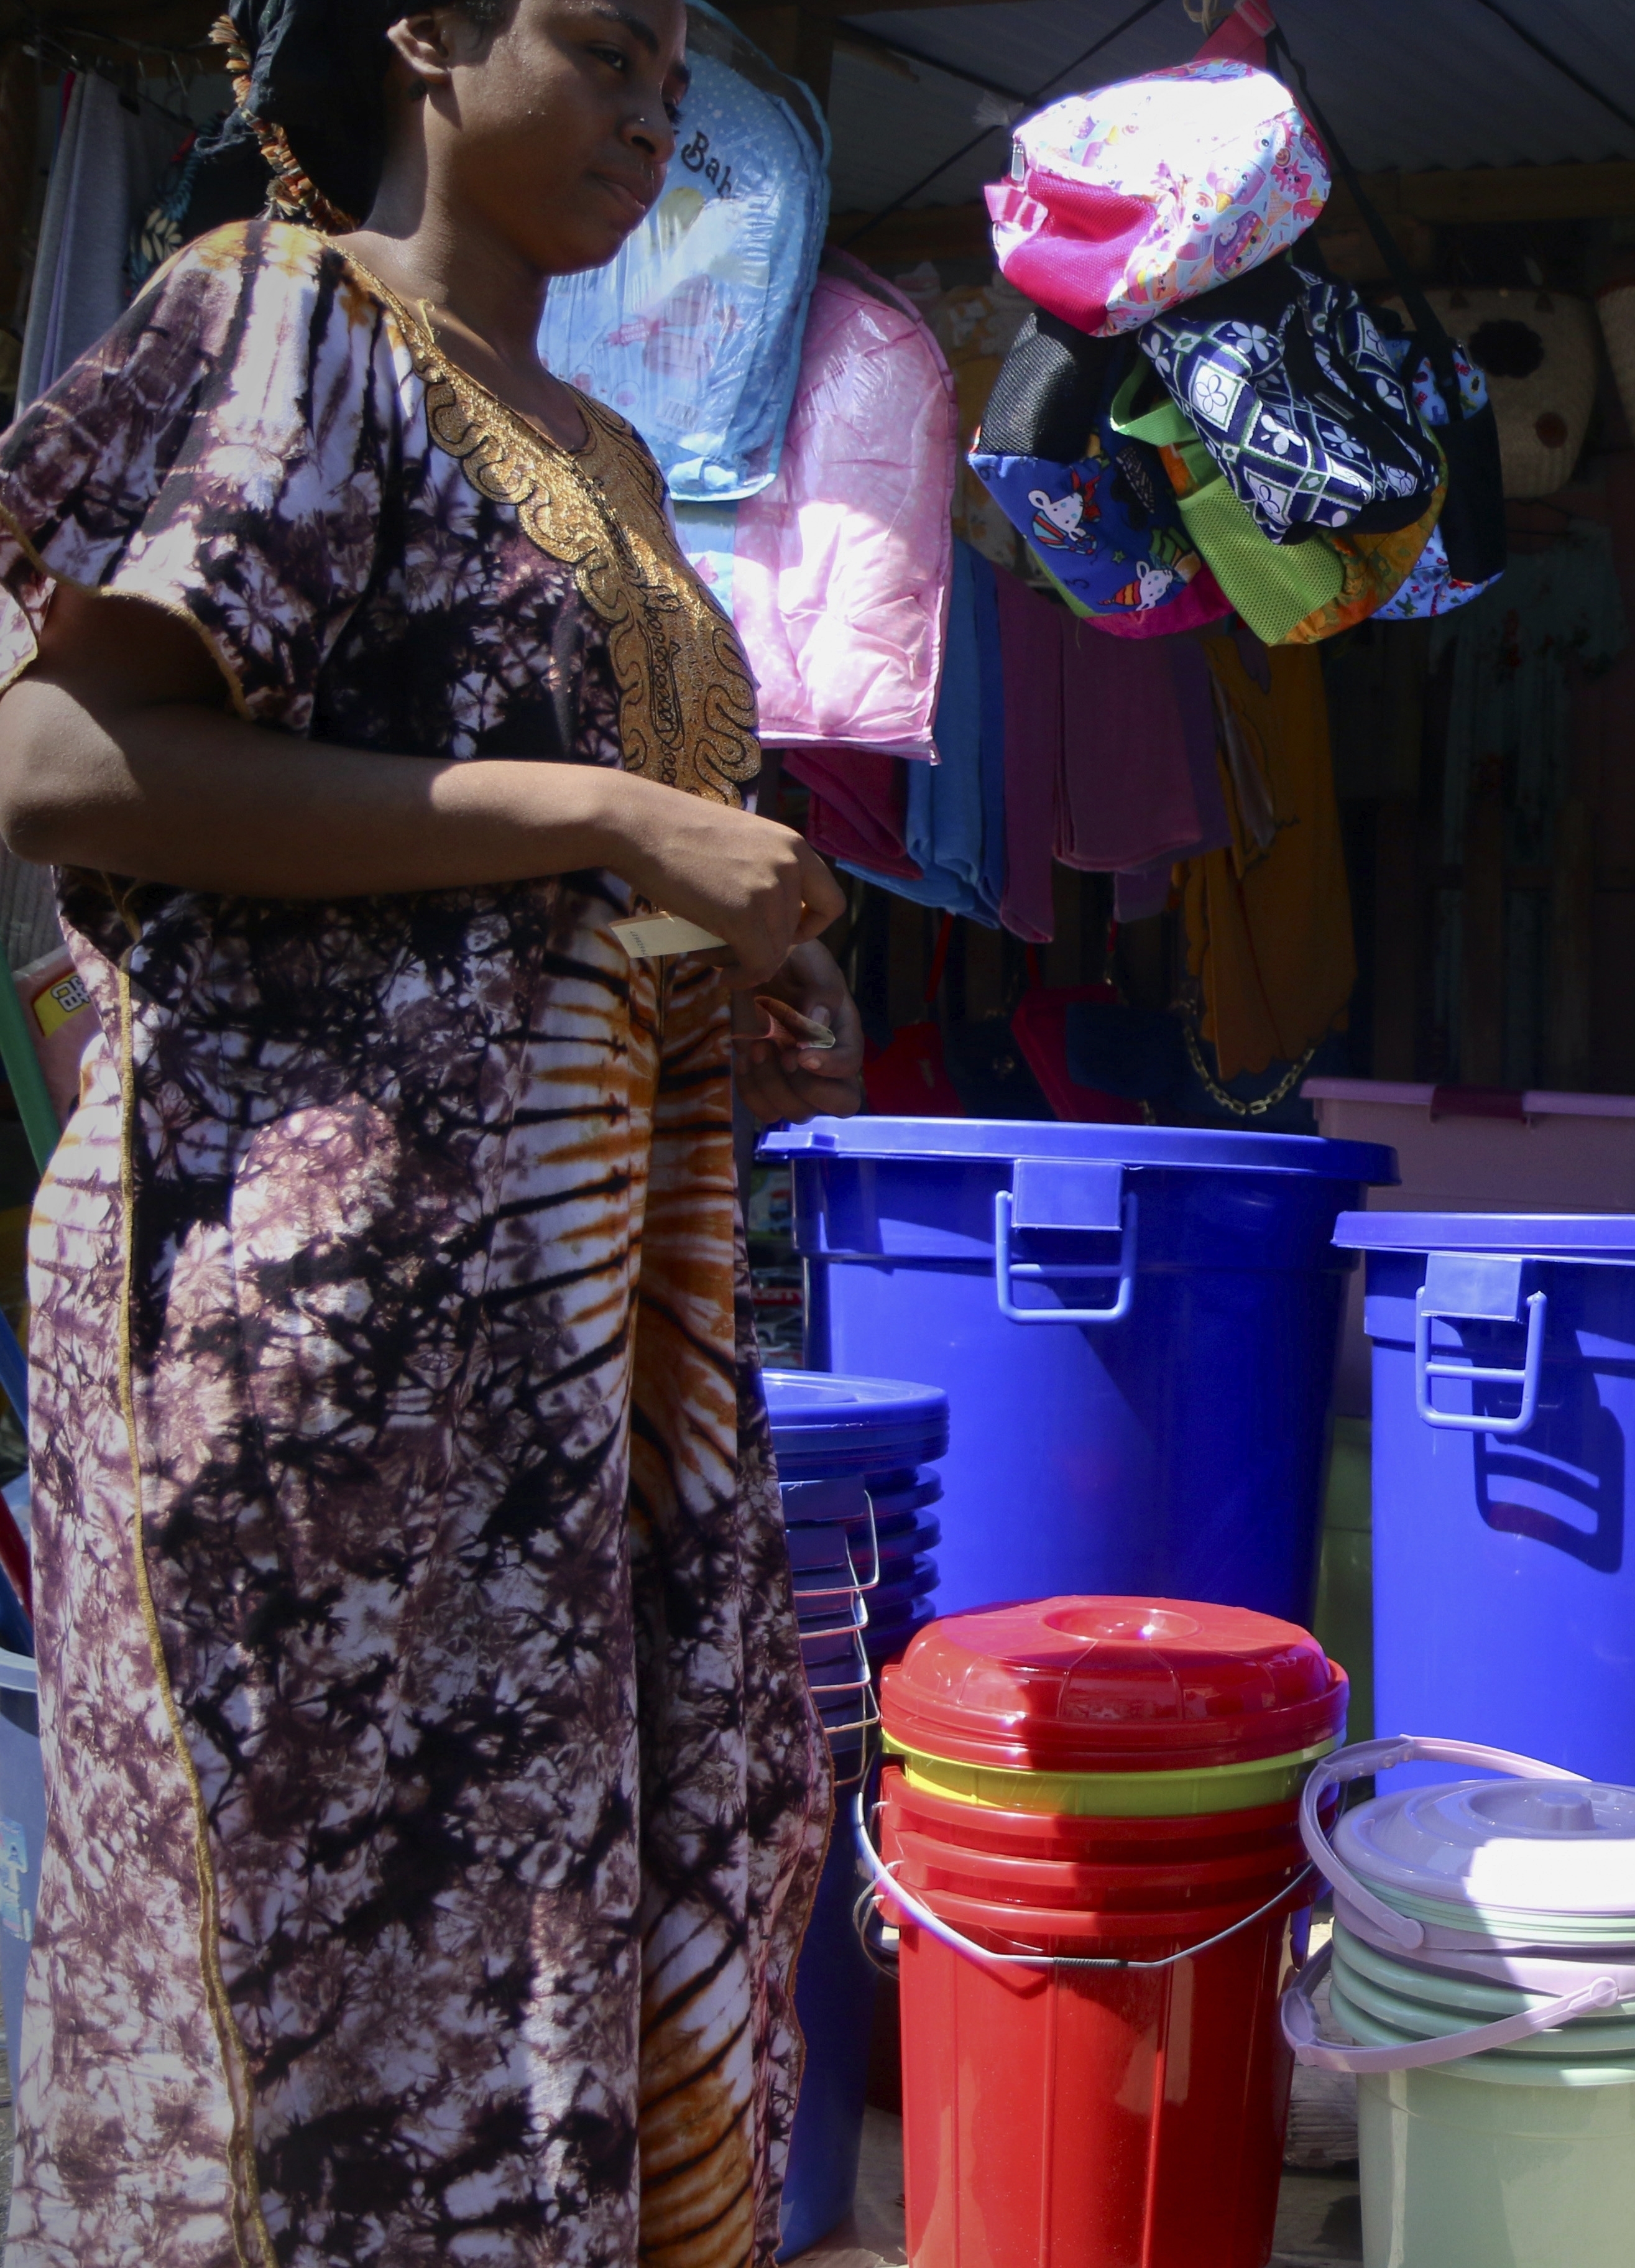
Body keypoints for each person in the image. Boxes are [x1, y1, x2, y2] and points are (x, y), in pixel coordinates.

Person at [0, 0, 865, 2254]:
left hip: (579, 1348)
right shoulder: (283, 317)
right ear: (425, 32)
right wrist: (601, 815)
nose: (654, 110)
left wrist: (739, 973)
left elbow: (562, 889)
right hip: (320, 1340)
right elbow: (61, 763)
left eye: (678, 77)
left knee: (595, 1927)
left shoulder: (612, 451)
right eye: (605, 45)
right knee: (342, 1987)